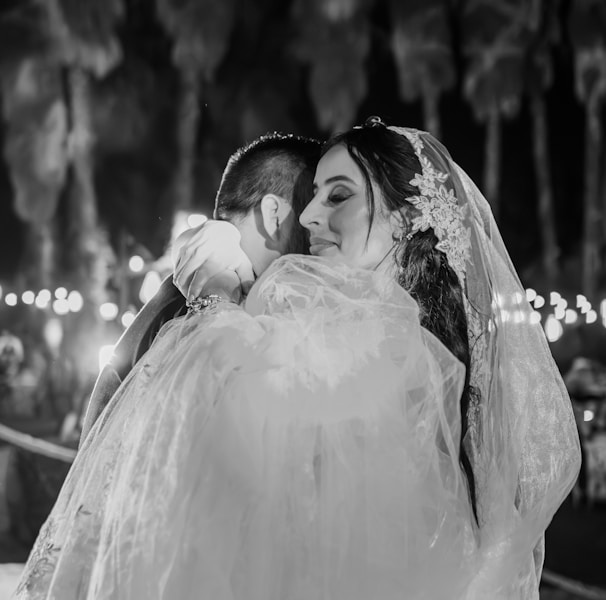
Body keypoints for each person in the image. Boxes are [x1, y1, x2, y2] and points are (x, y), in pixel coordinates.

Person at [15, 118, 580, 600]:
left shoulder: (382, 349)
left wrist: (211, 303)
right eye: (312, 196)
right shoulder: (392, 346)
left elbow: (228, 460)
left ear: (406, 221)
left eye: (336, 196)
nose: (308, 217)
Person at [79, 132, 321, 445]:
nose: (320, 223)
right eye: (314, 206)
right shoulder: (212, 303)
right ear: (274, 215)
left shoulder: (197, 284)